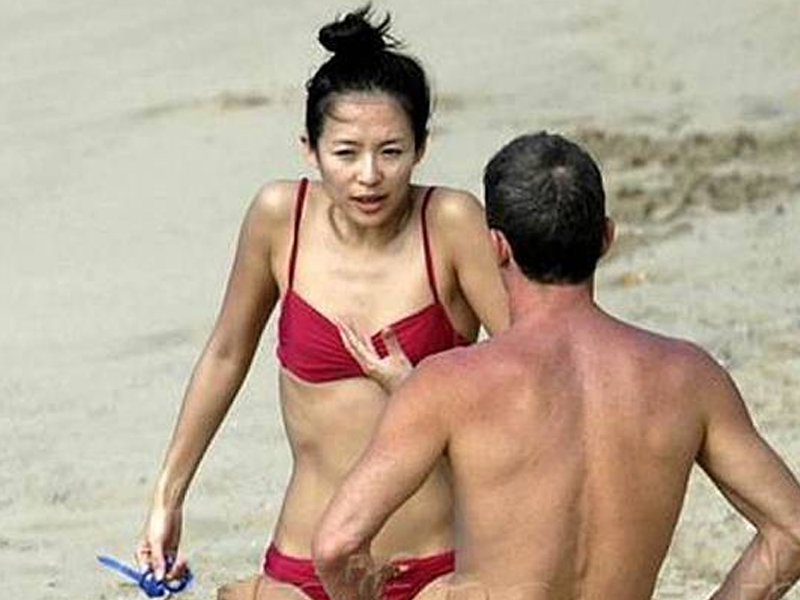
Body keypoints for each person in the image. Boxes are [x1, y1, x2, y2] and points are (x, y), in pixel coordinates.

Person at [312, 132, 800, 600]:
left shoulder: (446, 385)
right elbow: (791, 531)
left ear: (497, 246)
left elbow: (336, 547)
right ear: (606, 238)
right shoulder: (690, 377)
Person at [135, 6, 509, 600]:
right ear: (309, 150)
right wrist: (167, 498)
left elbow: (527, 379)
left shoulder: (450, 222)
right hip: (305, 562)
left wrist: (420, 390)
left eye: (391, 151)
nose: (369, 176)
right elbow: (226, 355)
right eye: (346, 153)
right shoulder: (279, 219)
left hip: (439, 563)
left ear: (422, 148)